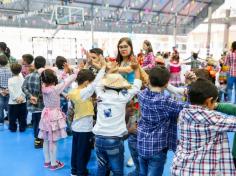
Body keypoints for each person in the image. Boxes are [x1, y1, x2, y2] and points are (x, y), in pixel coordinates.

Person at [171, 78, 236, 176]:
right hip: (203, 170)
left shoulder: (183, 112)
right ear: (209, 101)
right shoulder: (214, 119)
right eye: (215, 101)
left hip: (181, 168)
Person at [93, 57, 142, 176]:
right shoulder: (122, 97)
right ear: (121, 86)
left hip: (98, 139)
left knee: (101, 167)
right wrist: (136, 69)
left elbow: (98, 83)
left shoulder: (100, 95)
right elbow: (136, 87)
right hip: (114, 140)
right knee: (117, 169)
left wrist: (108, 71)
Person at [137, 66, 186, 176]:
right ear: (166, 83)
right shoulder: (165, 101)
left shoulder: (141, 94)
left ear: (149, 80)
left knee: (142, 173)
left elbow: (148, 86)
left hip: (141, 143)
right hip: (157, 147)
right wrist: (187, 90)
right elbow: (186, 107)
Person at [68, 58, 106, 176]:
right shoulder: (84, 92)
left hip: (76, 126)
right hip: (84, 128)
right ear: (86, 83)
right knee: (83, 152)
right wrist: (104, 67)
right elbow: (95, 84)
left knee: (76, 150)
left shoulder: (75, 89)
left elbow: (82, 101)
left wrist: (93, 100)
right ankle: (81, 172)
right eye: (90, 82)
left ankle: (74, 171)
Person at [38, 66, 78, 170]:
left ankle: (47, 162)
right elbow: (66, 82)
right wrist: (75, 73)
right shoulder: (56, 89)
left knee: (46, 140)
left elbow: (59, 80)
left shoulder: (43, 86)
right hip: (54, 115)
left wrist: (63, 73)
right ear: (53, 79)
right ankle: (53, 163)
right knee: (53, 141)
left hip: (45, 115)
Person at [22, 56, 46, 148]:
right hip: (44, 106)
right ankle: (43, 141)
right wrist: (38, 97)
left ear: (35, 64)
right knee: (44, 124)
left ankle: (37, 142)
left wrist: (31, 96)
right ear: (44, 65)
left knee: (36, 124)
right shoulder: (45, 76)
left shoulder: (29, 76)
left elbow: (23, 88)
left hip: (33, 106)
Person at [8, 63, 27, 132]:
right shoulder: (23, 79)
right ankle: (22, 128)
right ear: (20, 70)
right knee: (22, 117)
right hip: (23, 101)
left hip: (13, 102)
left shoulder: (10, 80)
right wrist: (22, 97)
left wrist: (16, 98)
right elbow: (25, 89)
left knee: (12, 117)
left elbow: (11, 91)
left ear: (11, 70)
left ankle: (13, 128)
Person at [0, 55, 12, 130]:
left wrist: (1, 91)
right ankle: (10, 120)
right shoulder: (10, 70)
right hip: (9, 90)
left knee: (0, 107)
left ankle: (1, 122)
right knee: (9, 106)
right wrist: (7, 89)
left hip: (0, 90)